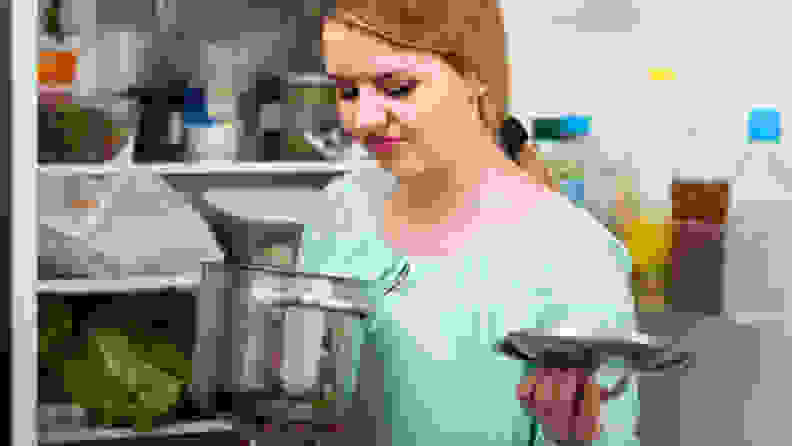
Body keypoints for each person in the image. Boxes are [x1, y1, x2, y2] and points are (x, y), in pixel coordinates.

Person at [300, 0, 641, 444]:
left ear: (476, 79)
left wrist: (575, 437)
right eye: (347, 91)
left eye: (398, 88)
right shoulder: (340, 209)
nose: (362, 120)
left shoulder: (573, 256)